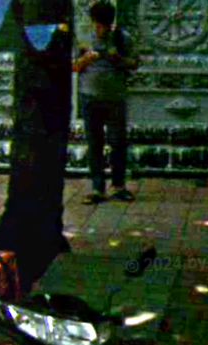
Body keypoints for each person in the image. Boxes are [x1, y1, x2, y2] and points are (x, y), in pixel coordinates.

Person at [73, 1, 139, 205]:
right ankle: (97, 187)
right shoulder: (84, 39)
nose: (101, 30)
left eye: (105, 26)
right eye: (99, 25)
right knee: (95, 143)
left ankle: (119, 185)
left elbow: (134, 63)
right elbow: (74, 67)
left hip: (115, 98)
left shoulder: (122, 38)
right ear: (93, 22)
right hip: (90, 96)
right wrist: (86, 59)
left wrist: (117, 58)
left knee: (118, 142)